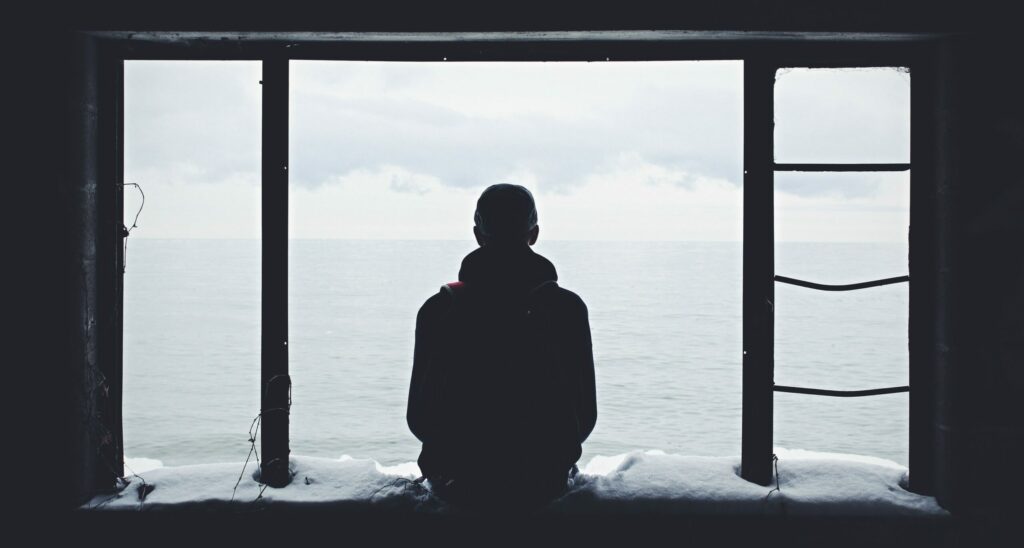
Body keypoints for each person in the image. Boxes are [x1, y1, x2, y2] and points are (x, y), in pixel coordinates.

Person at [406, 183, 597, 511]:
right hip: (542, 481)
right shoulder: (567, 309)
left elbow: (419, 418)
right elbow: (585, 416)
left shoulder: (439, 309)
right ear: (534, 233)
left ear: (478, 234)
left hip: (457, 482)